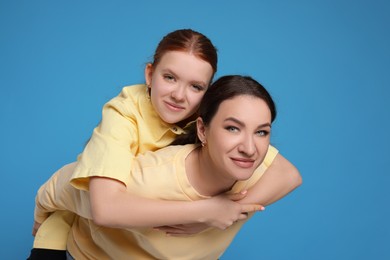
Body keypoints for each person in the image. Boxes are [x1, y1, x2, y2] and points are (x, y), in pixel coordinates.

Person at [29, 29, 301, 259]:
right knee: (63, 220)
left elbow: (287, 173)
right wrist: (202, 213)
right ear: (150, 74)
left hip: (137, 232)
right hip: (83, 214)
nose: (179, 96)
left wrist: (231, 210)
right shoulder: (123, 115)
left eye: (196, 87)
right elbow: (103, 207)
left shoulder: (209, 119)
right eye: (169, 78)